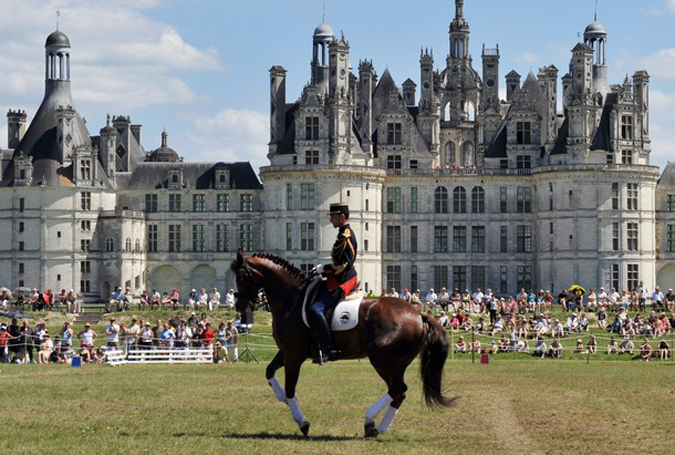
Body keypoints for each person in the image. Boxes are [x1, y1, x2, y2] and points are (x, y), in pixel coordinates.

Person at [309, 203, 358, 364]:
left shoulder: (346, 235)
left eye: (333, 216)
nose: (331, 219)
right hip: (337, 277)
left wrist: (325, 269)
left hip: (344, 280)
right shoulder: (341, 234)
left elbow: (345, 264)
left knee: (317, 310)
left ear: (342, 216)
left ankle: (329, 349)